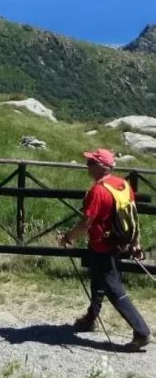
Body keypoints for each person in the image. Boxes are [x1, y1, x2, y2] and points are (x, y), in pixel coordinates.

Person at [58, 148, 151, 351]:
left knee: (113, 288)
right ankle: (91, 318)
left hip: (102, 245)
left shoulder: (98, 191)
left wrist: (67, 238)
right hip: (120, 243)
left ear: (101, 167)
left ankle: (141, 332)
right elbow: (132, 216)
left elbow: (86, 224)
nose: (87, 165)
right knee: (98, 279)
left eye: (91, 162)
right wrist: (136, 243)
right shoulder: (123, 185)